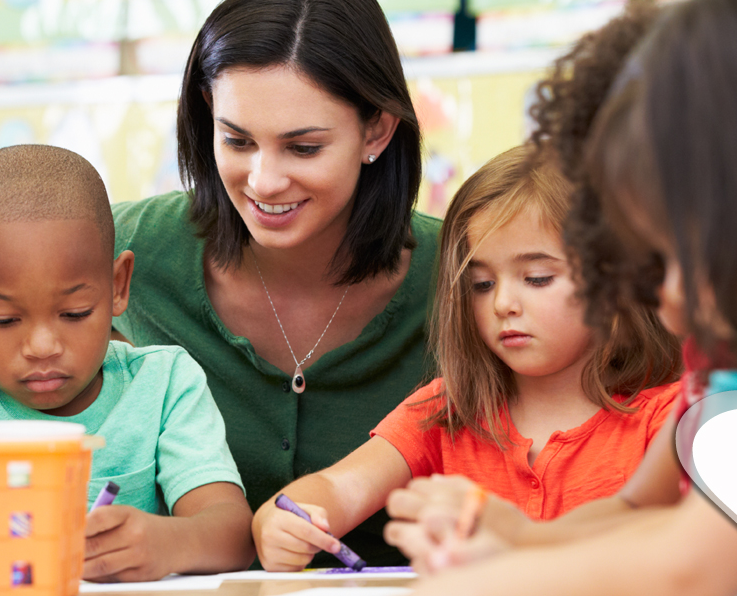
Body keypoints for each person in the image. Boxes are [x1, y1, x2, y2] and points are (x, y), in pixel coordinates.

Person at [389, 0, 737, 595]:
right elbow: (653, 519)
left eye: (673, 260)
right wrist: (516, 540)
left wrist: (493, 580)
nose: (664, 305)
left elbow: (688, 568)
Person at [111, 0, 438, 565]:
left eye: (303, 147)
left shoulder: (467, 274)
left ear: (378, 130)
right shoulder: (127, 249)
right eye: (236, 140)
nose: (263, 181)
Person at [251, 144, 682, 570]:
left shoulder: (670, 418)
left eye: (536, 278)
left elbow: (687, 552)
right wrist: (283, 521)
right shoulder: (447, 410)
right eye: (480, 284)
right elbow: (338, 489)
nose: (503, 304)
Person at [0, 145, 254, 583]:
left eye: (75, 313)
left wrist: (168, 543)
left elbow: (234, 534)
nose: (43, 346)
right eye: (3, 319)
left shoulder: (164, 384)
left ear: (118, 286)